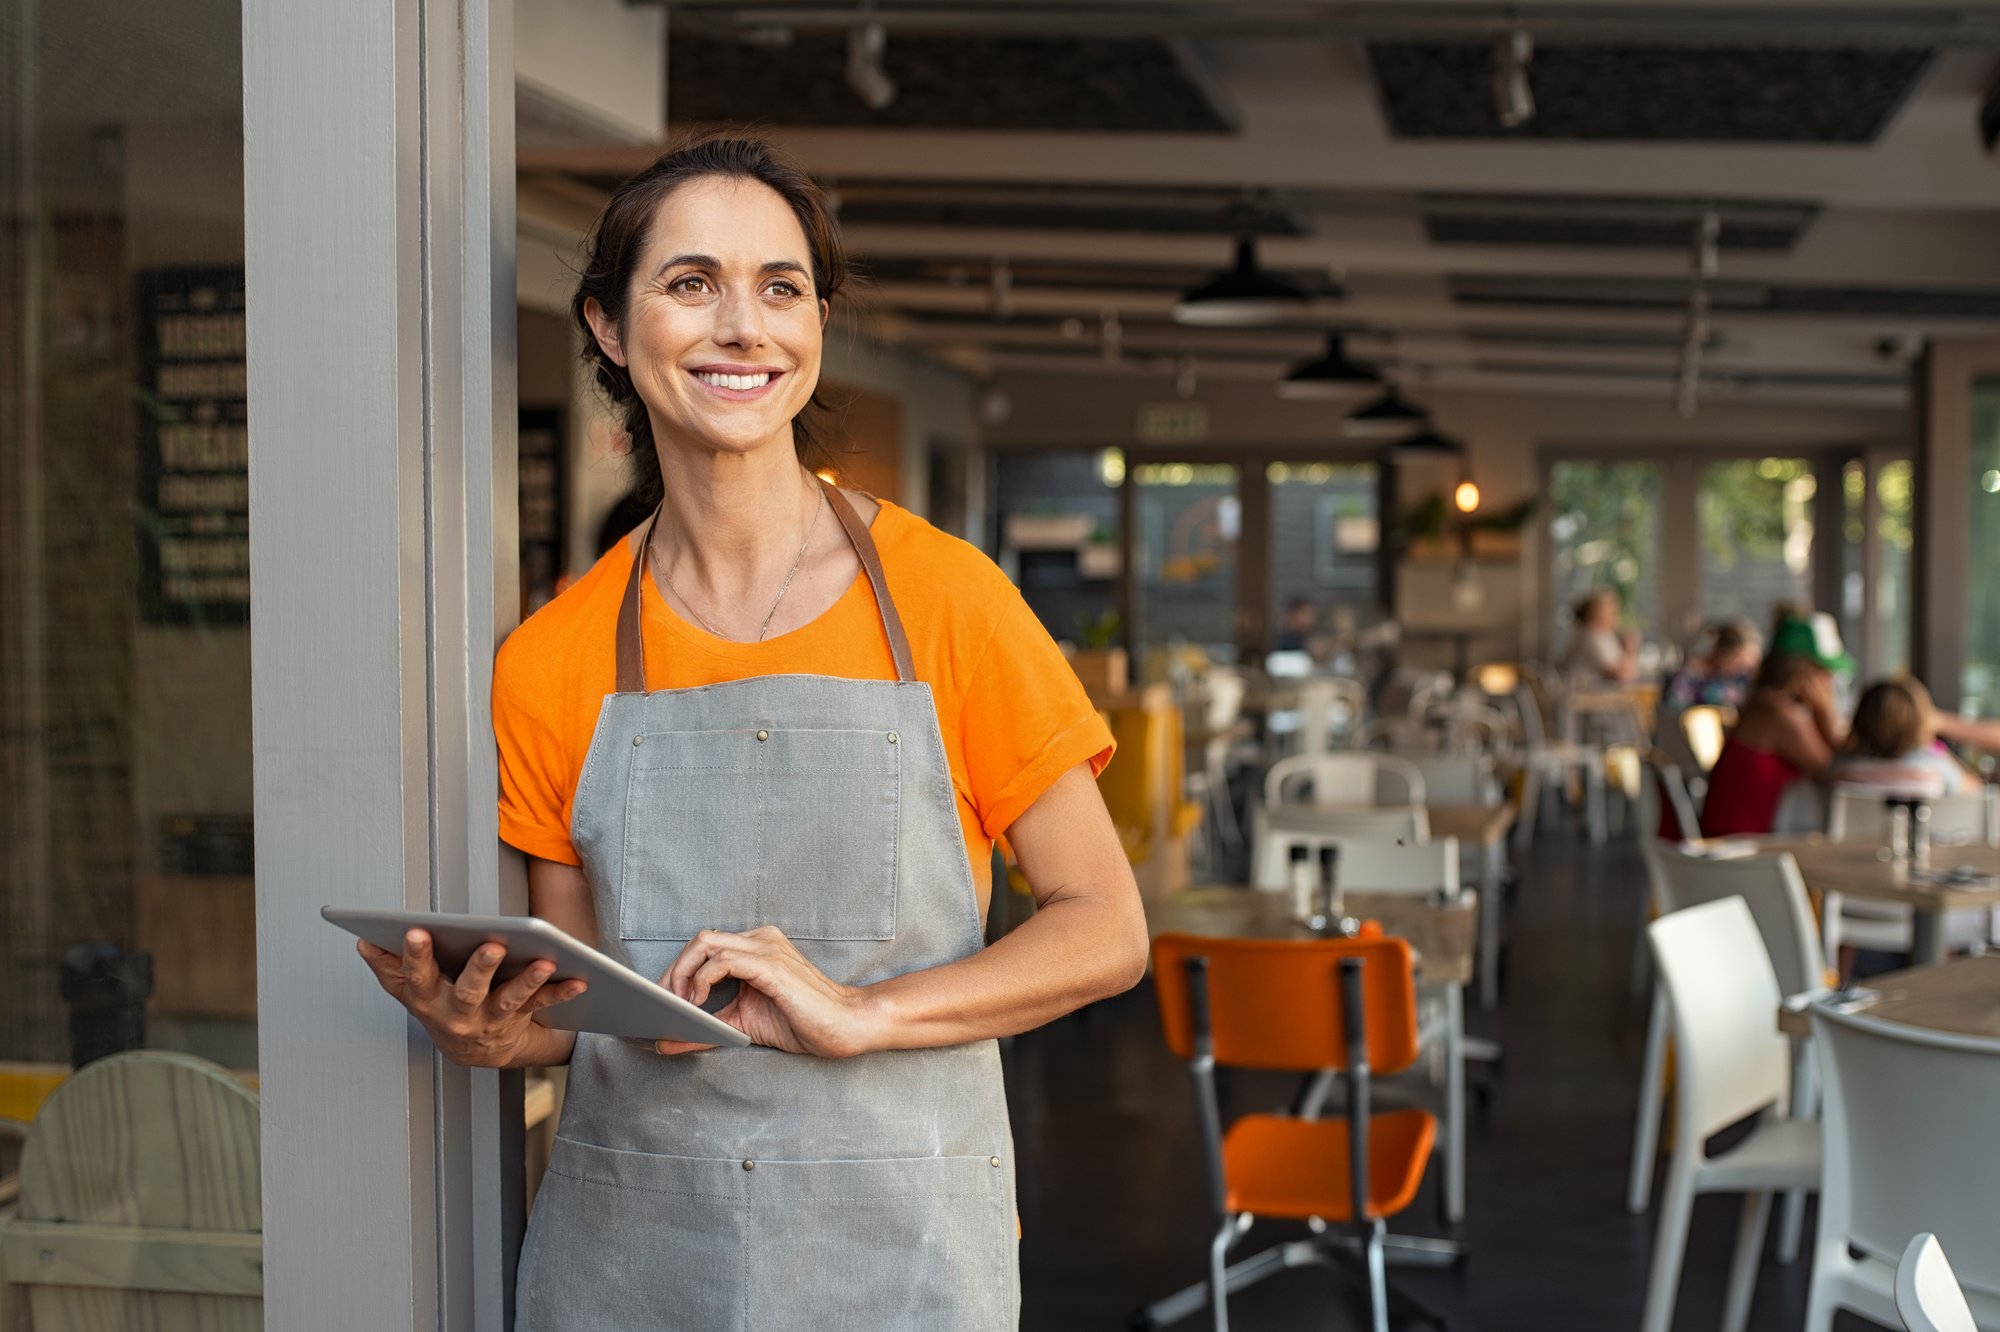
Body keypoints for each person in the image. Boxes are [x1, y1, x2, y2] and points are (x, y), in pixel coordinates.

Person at [352, 137, 1148, 1330]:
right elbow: (575, 1006)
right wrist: (494, 1034)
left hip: (900, 1249)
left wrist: (864, 1013)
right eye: (690, 284)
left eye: (781, 287)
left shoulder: (948, 601)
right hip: (635, 1255)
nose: (744, 326)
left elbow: (1104, 929)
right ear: (610, 330)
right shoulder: (551, 657)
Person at [1699, 641, 1847, 837]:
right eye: (1824, 674)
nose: (1830, 683)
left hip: (1738, 837)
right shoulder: (1779, 713)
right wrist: (1826, 711)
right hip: (1738, 843)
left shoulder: (1764, 703)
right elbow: (1831, 771)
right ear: (1804, 673)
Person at [1831, 677, 1977, 796]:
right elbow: (1975, 792)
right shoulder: (1936, 767)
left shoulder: (1843, 768)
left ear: (1859, 720)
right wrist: (1938, 750)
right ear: (1922, 724)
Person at [1659, 617, 1760, 717]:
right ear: (1724, 653)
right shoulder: (1690, 677)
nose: (1740, 668)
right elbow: (1673, 712)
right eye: (1739, 661)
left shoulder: (1738, 680)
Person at [1560, 589, 1639, 684]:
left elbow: (1628, 670)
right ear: (1597, 613)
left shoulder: (1606, 634)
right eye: (1611, 611)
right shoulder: (1589, 636)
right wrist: (1630, 648)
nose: (1616, 617)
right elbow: (1617, 673)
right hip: (1582, 692)